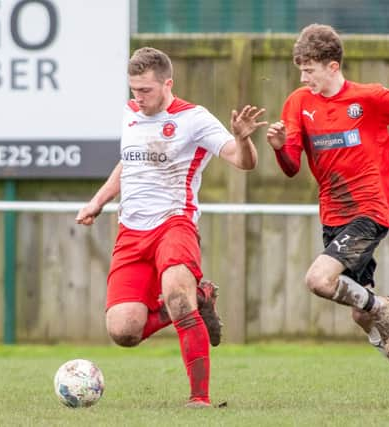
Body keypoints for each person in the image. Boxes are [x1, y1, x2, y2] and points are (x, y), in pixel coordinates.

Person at [266, 24, 389, 406]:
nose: (303, 77)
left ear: (333, 66)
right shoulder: (299, 102)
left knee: (318, 280)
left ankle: (381, 305)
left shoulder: (367, 98)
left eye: (310, 69)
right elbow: (290, 168)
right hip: (333, 216)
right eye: (300, 70)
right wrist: (279, 147)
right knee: (361, 317)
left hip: (370, 209)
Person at [76, 47, 267, 408]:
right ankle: (200, 299)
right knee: (123, 331)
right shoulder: (130, 113)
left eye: (146, 90)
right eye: (133, 89)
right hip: (130, 233)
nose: (139, 97)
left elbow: (243, 163)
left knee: (177, 297)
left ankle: (199, 399)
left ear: (168, 84)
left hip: (174, 224)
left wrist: (243, 138)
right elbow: (129, 163)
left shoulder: (194, 119)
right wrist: (97, 201)